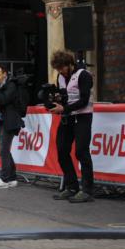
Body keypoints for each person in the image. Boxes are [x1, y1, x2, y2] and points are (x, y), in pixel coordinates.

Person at [49, 50, 96, 203]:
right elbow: (64, 97)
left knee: (81, 151)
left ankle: (87, 190)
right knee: (62, 150)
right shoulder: (60, 77)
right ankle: (71, 187)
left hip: (83, 117)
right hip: (67, 117)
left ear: (70, 64)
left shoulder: (83, 75)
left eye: (62, 68)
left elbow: (83, 100)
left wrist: (64, 108)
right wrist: (57, 102)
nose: (60, 72)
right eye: (58, 69)